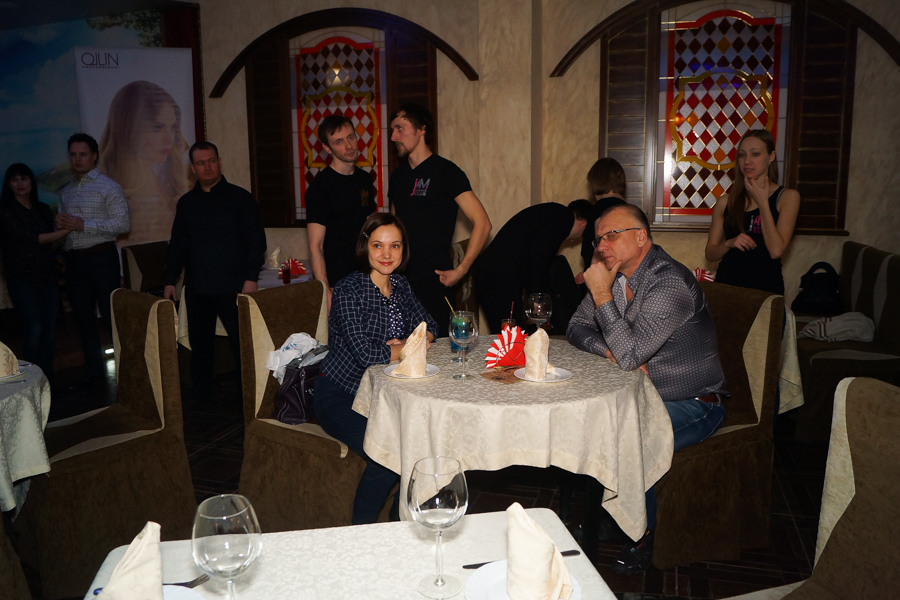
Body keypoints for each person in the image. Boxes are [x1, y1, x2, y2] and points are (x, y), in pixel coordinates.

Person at [567, 203, 726, 573]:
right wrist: (608, 349)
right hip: (642, 396)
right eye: (598, 239)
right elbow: (576, 327)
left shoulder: (668, 283)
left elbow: (630, 355)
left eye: (612, 235)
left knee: (632, 437)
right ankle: (615, 516)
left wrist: (602, 296)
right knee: (597, 425)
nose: (601, 245)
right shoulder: (614, 275)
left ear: (641, 237)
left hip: (694, 402)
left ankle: (647, 535)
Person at [314, 212, 438, 524]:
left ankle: (400, 524)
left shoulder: (401, 285)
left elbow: (431, 326)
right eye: (377, 245)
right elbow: (366, 354)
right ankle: (362, 533)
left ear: (403, 249)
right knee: (388, 458)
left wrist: (406, 343)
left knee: (425, 446)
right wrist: (406, 347)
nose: (386, 254)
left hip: (386, 396)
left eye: (395, 246)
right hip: (341, 395)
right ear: (365, 247)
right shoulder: (349, 290)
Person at [163, 142, 266, 405]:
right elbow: (177, 245)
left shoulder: (240, 198)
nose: (207, 167)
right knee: (200, 347)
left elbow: (256, 242)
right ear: (193, 168)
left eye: (211, 161)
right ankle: (202, 400)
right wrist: (170, 280)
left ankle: (250, 399)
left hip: (234, 286)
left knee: (242, 345)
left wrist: (251, 277)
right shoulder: (186, 203)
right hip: (198, 286)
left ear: (219, 162)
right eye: (201, 163)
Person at [387, 103, 491, 336]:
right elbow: (393, 228)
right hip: (400, 281)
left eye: (400, 128)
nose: (393, 137)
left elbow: (483, 223)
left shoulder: (446, 172)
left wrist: (461, 270)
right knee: (400, 348)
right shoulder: (398, 176)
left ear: (421, 129)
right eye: (392, 130)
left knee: (436, 348)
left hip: (435, 281)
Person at [57, 133, 131, 387]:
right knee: (83, 318)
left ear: (94, 155)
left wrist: (83, 224)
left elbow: (123, 224)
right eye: (73, 155)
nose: (77, 159)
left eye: (83, 154)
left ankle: (128, 371)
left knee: (111, 317)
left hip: (101, 257)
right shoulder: (66, 191)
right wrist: (60, 228)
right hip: (74, 261)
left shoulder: (109, 187)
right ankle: (94, 373)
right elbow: (65, 230)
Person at [705, 129, 801, 294]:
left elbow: (776, 250)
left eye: (755, 154)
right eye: (742, 155)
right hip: (727, 288)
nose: (747, 161)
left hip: (765, 291)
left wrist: (763, 202)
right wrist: (729, 243)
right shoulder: (726, 202)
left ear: (771, 156)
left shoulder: (788, 197)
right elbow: (710, 254)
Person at [473, 200, 590, 334]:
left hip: (490, 272)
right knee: (512, 337)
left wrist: (533, 298)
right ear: (584, 224)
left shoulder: (553, 214)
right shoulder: (565, 218)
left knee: (506, 334)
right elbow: (540, 258)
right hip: (500, 276)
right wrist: (538, 301)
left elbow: (534, 257)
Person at [99, 81, 193, 246]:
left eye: (173, 127)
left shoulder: (175, 186)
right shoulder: (110, 193)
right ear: (130, 128)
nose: (169, 139)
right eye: (157, 127)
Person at [0, 164, 71, 379]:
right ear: (9, 184)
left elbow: (51, 245)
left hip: (47, 275)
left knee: (49, 329)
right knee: (34, 329)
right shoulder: (5, 211)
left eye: (24, 178)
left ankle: (47, 377)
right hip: (22, 277)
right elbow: (33, 239)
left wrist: (63, 232)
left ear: (31, 181)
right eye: (15, 180)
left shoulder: (42, 209)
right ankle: (31, 380)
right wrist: (67, 230)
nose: (20, 184)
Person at [306, 113, 377, 309]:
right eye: (339, 142)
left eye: (350, 137)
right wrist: (326, 291)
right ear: (327, 148)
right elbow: (315, 246)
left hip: (366, 277)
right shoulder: (320, 188)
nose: (348, 145)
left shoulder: (364, 179)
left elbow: (369, 227)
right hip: (337, 281)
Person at [576, 158, 628, 284]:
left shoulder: (602, 208)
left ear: (595, 182)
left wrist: (593, 278)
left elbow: (601, 248)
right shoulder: (630, 210)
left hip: (604, 279)